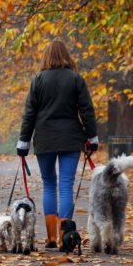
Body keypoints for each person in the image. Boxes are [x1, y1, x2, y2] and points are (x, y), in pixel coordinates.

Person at [16, 39, 98, 249]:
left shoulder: (38, 80)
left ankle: (51, 237)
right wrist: (92, 137)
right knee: (66, 185)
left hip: (45, 138)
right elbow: (86, 110)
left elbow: (30, 113)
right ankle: (65, 237)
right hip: (71, 138)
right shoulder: (75, 78)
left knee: (49, 184)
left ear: (46, 56)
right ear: (66, 56)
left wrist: (24, 141)